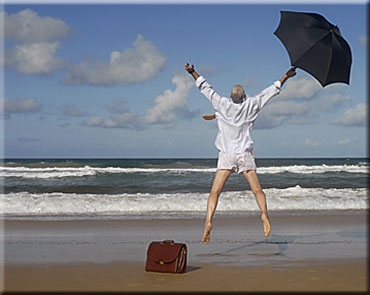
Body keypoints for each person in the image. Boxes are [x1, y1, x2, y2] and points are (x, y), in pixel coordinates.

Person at [185, 62, 296, 243]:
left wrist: (192, 72)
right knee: (257, 190)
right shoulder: (252, 104)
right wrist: (286, 75)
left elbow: (205, 88)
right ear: (244, 96)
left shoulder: (221, 104)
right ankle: (264, 215)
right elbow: (270, 91)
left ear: (230, 96)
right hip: (245, 154)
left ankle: (208, 222)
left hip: (227, 155)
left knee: (215, 192)